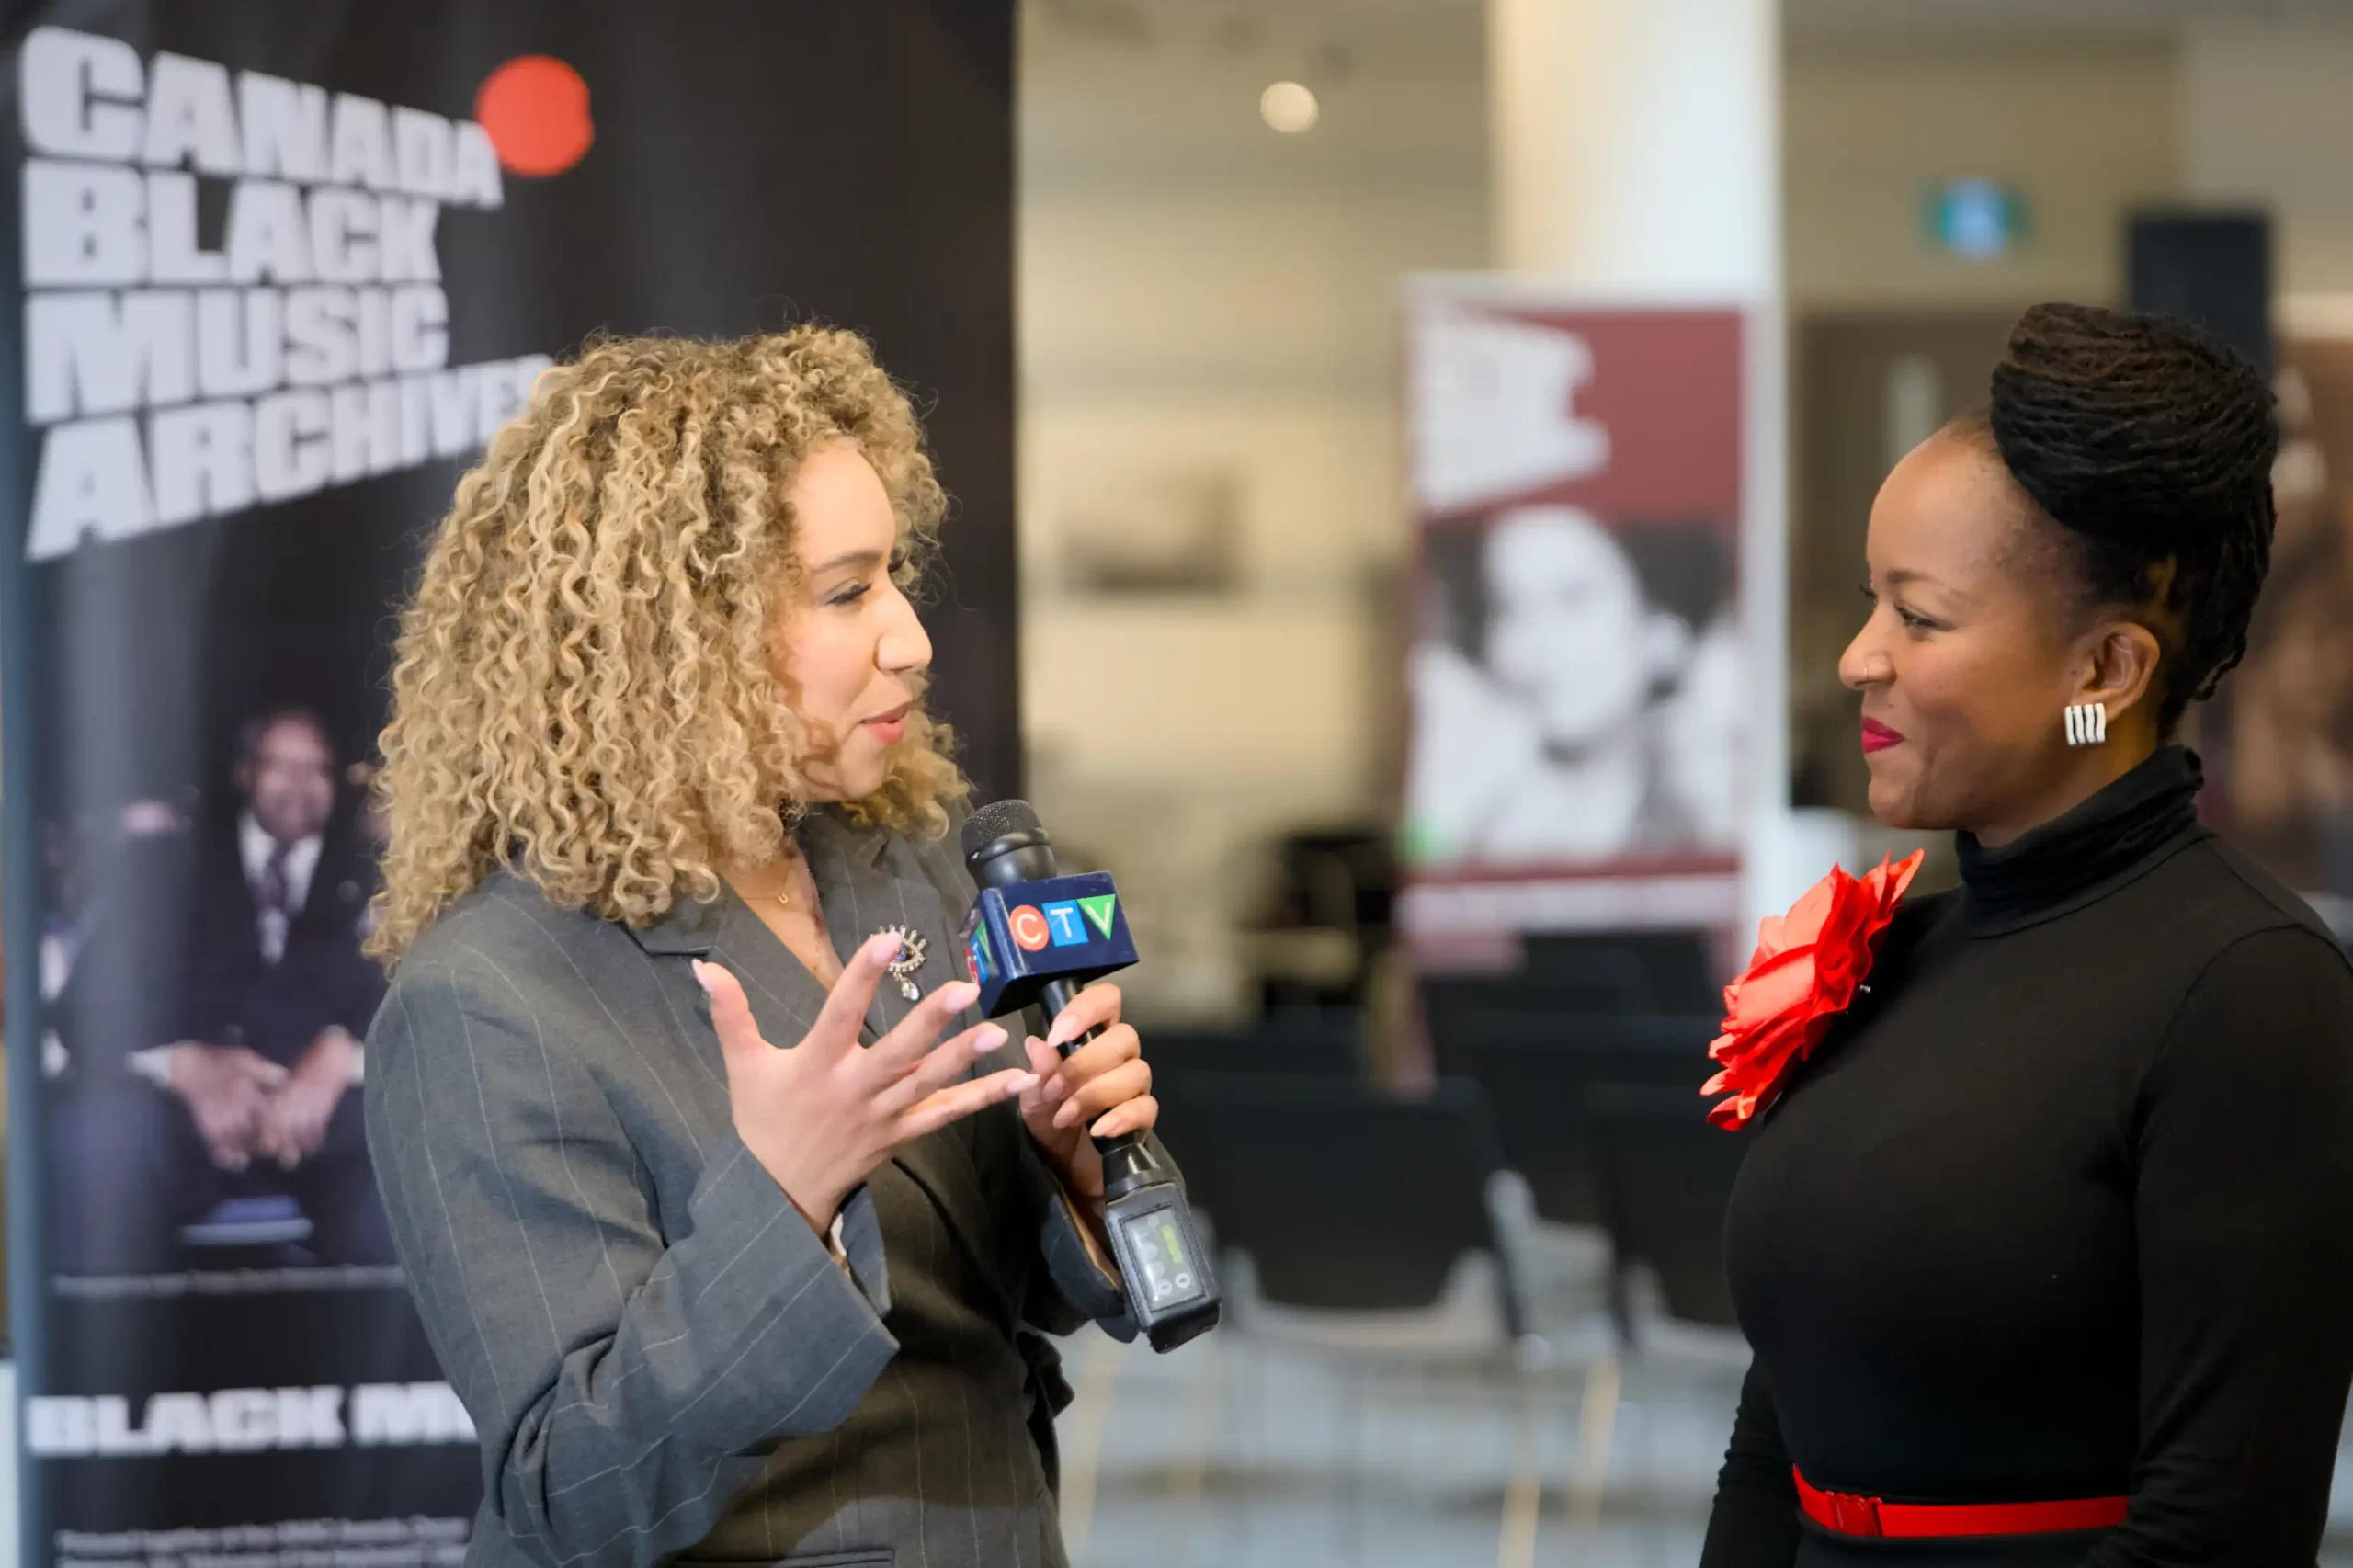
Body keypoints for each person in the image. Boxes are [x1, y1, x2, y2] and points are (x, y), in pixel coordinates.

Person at [363, 328, 1165, 1568]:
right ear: (675, 634)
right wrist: (786, 1201)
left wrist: (1073, 1173)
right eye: (848, 592)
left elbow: (993, 1294)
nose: (912, 637)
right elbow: (575, 1487)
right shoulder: (485, 998)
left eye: (894, 574)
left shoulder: (909, 862)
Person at [1702, 303, 2353, 1566]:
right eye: (1871, 604)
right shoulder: (1891, 954)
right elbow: (1774, 1433)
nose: (1857, 659)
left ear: (2103, 670)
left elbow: (2216, 1531)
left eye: (1919, 618)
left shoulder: (2251, 992)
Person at [45, 708, 388, 1274]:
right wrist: (181, 1064)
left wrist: (343, 1057)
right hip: (178, 1117)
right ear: (245, 772)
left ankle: (379, 1329)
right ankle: (115, 1325)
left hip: (327, 1119)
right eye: (281, 766)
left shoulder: (378, 871)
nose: (300, 784)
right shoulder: (165, 867)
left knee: (408, 1146)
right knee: (97, 1139)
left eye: (317, 769)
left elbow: (420, 1001)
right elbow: (82, 1011)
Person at [1405, 505, 1737, 865]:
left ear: (1662, 629)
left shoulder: (1703, 809)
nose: (1533, 642)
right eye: (1507, 607)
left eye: (1572, 598)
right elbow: (1416, 852)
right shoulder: (1472, 796)